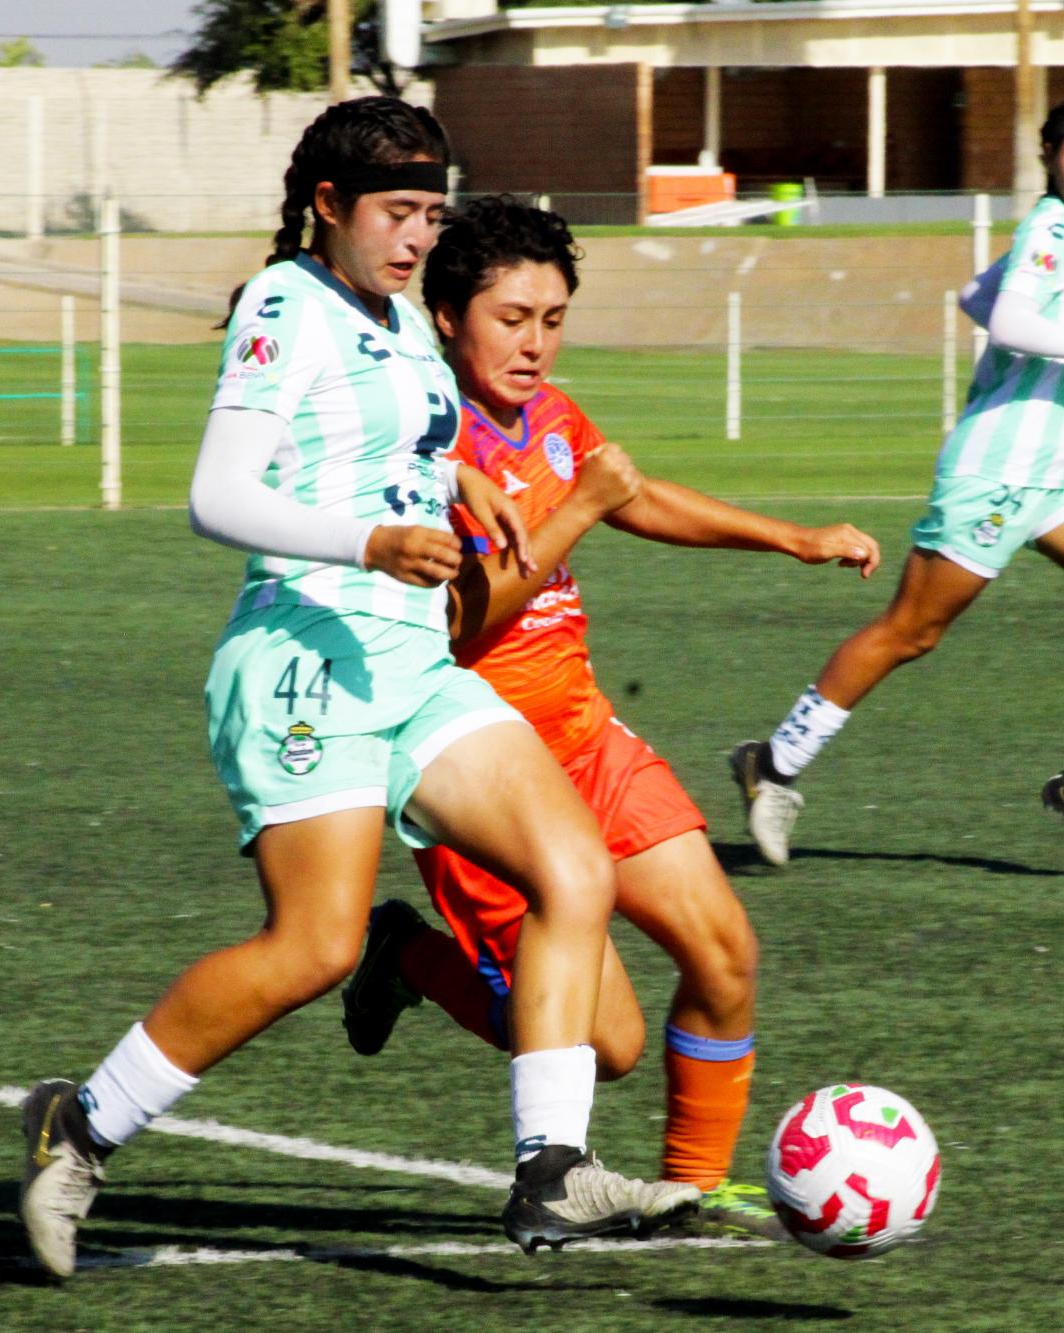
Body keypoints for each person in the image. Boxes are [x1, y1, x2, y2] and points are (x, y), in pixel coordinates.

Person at [15, 99, 697, 1280]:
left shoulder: (397, 319)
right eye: (394, 212)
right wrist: (371, 542)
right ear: (326, 204)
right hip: (304, 659)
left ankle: (549, 1172)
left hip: (410, 663)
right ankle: (78, 1126)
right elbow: (217, 497)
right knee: (314, 946)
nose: (414, 237)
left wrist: (459, 489)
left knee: (572, 866)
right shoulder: (286, 303)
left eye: (430, 214)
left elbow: (399, 450)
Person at [335, 195, 880, 1237]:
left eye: (552, 319)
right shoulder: (413, 442)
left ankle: (688, 1189)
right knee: (608, 1045)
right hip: (483, 774)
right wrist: (576, 504)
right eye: (510, 319)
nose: (534, 343)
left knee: (724, 951)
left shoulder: (547, 417)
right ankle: (405, 955)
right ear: (444, 314)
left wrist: (792, 538)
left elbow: (633, 495)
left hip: (586, 737)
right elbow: (452, 624)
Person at [731, 92, 1064, 866]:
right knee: (912, 631)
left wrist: (1059, 336)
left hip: (1062, 466)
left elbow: (981, 298)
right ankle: (770, 766)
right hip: (1000, 468)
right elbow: (1008, 323)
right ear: (1050, 158)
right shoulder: (1050, 227)